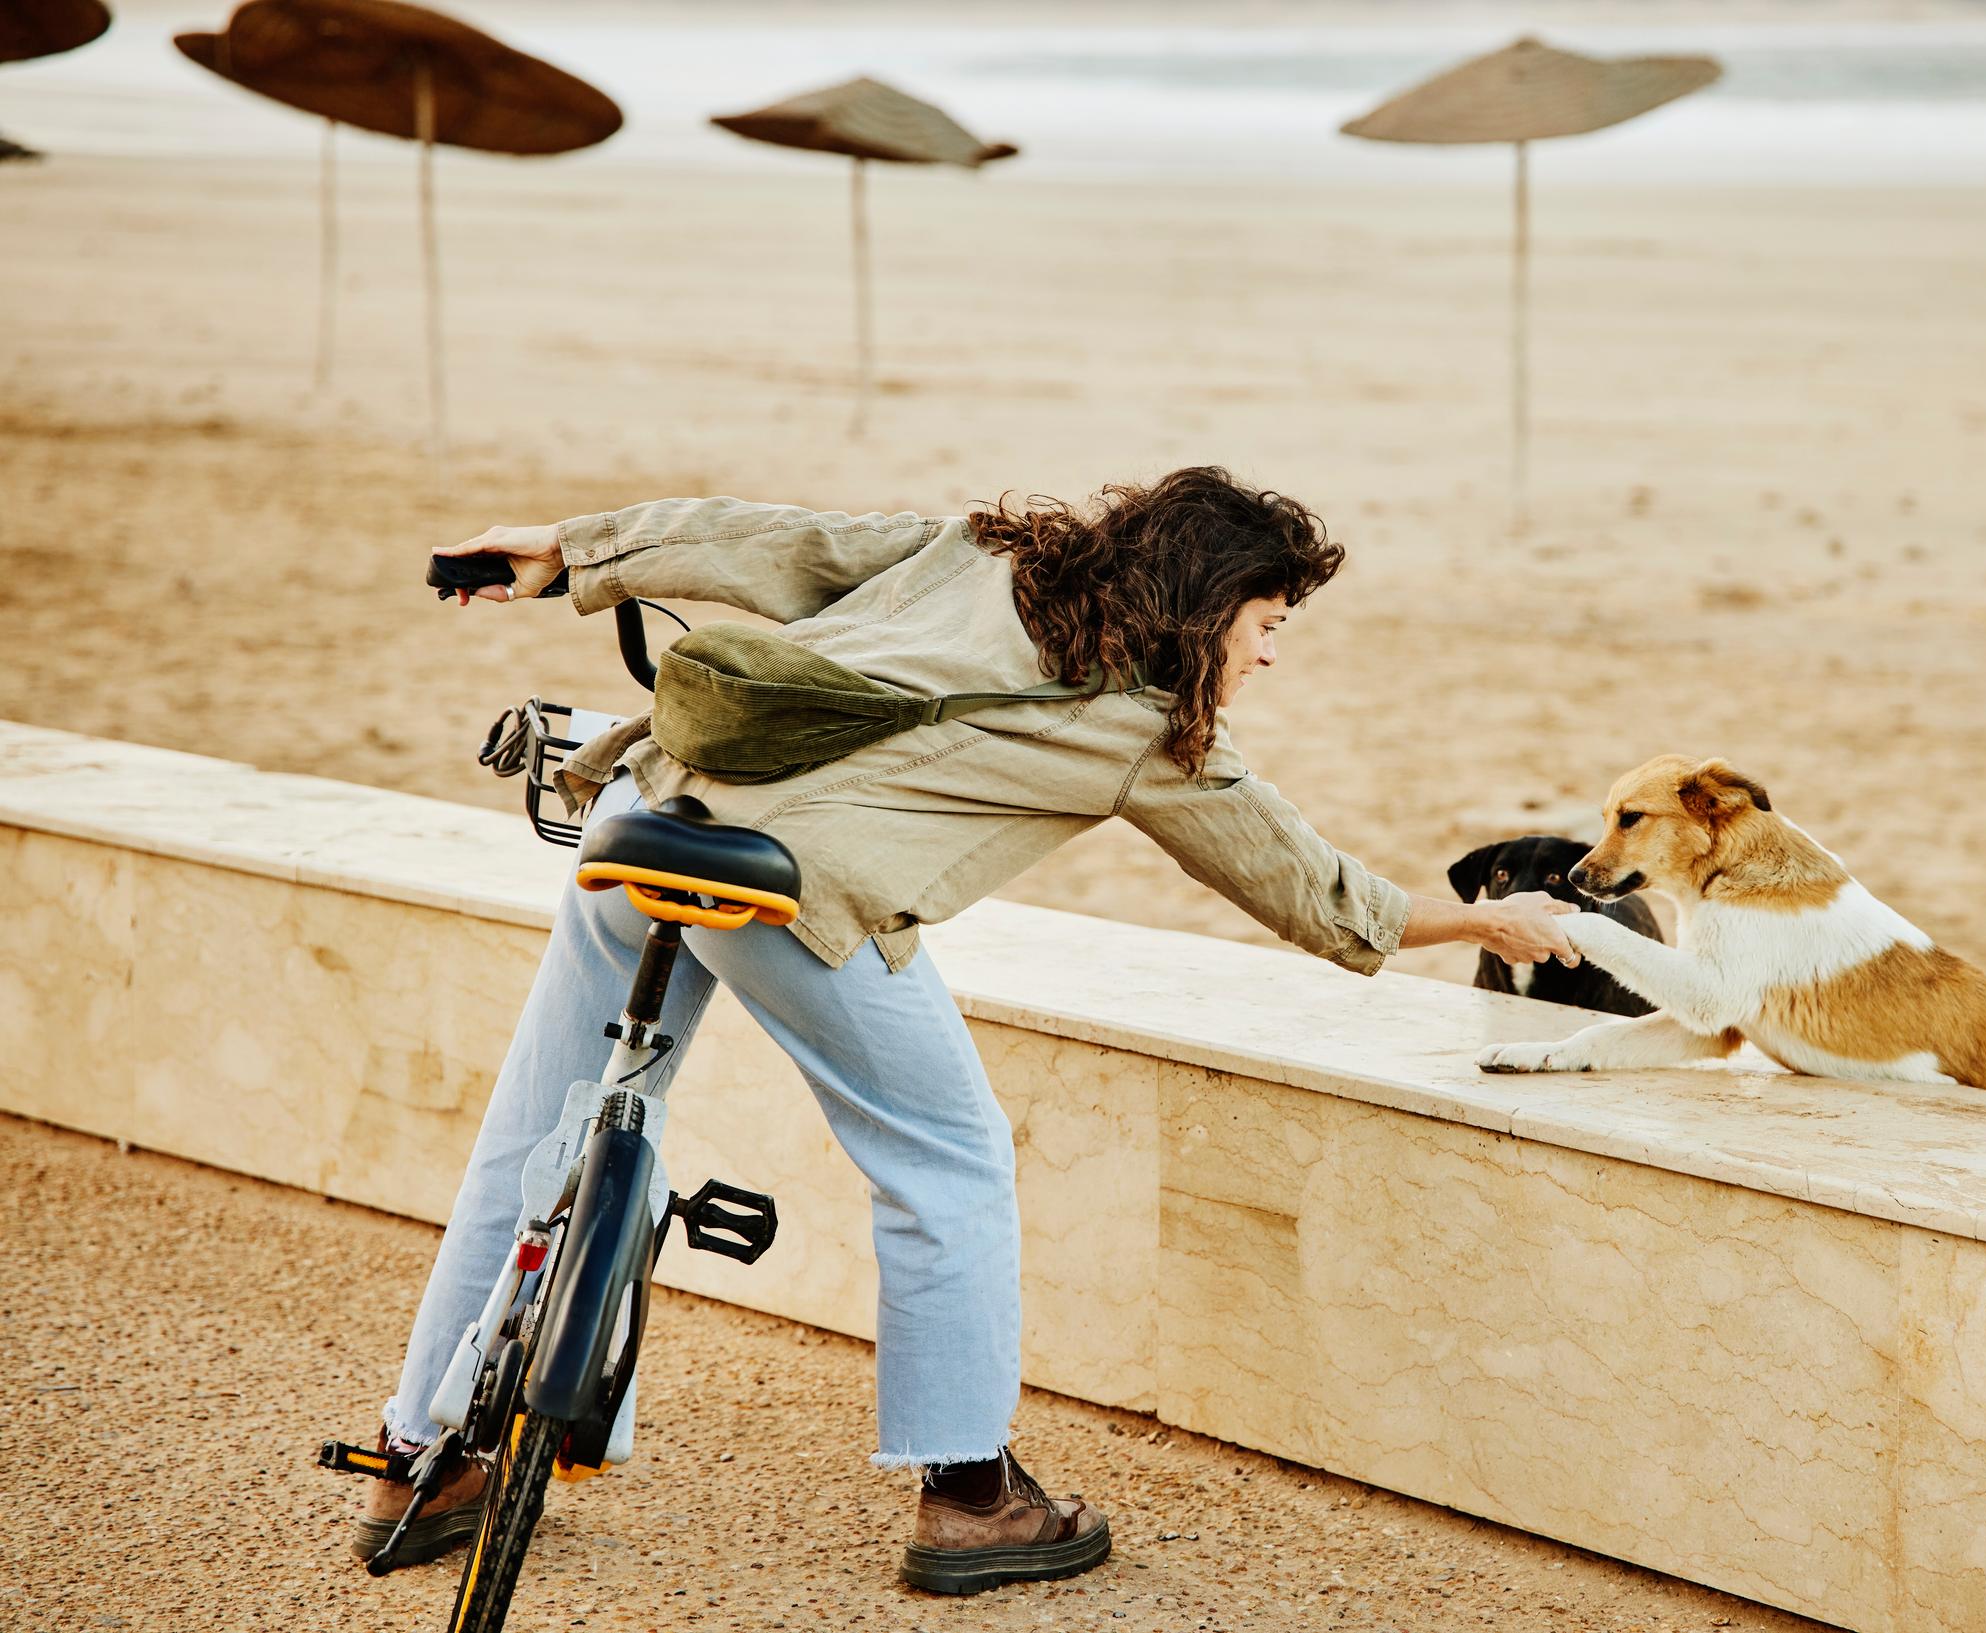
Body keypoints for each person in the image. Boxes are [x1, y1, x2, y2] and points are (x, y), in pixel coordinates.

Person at [362, 466, 1579, 1594]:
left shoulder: (982, 552)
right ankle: (971, 1497)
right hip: (782, 891)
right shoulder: (1149, 725)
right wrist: (1487, 921)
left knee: (538, 1123)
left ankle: (419, 1456)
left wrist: (572, 551)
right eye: (1268, 624)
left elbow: (773, 543)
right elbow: (1317, 894)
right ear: (1209, 608)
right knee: (948, 1153)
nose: (1268, 655)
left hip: (644, 810)